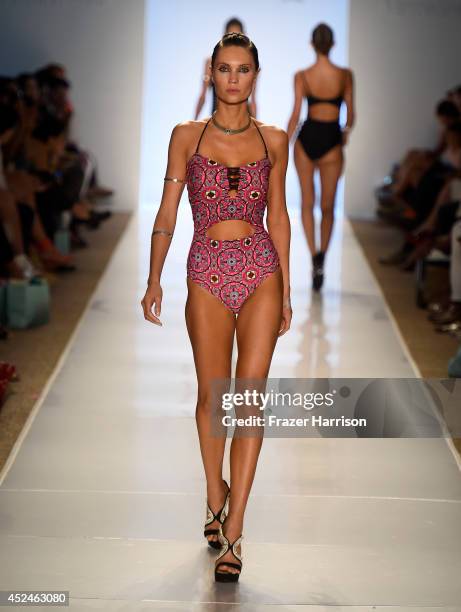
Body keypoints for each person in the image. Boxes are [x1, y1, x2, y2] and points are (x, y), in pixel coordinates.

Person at [141, 32, 291, 582]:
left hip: (260, 270)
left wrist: (288, 290)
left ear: (256, 75)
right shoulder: (186, 135)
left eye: (243, 69)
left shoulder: (275, 139)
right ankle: (214, 494)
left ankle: (235, 533)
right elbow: (167, 209)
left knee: (247, 401)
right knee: (212, 396)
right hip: (204, 268)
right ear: (211, 73)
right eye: (224, 68)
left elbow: (278, 215)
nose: (233, 78)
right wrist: (154, 276)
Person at [287, 23, 355, 291]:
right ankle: (321, 258)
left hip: (306, 138)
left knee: (307, 203)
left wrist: (283, 143)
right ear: (333, 43)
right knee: (327, 206)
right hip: (331, 139)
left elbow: (295, 114)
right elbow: (351, 115)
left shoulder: (303, 75)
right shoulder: (345, 75)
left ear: (312, 44)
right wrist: (344, 133)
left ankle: (314, 255)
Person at [194, 18, 257, 120]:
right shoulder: (211, 62)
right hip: (218, 122)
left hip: (243, 123)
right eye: (231, 36)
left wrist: (258, 130)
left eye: (238, 36)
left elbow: (253, 100)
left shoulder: (250, 65)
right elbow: (202, 95)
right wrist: (194, 123)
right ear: (224, 37)